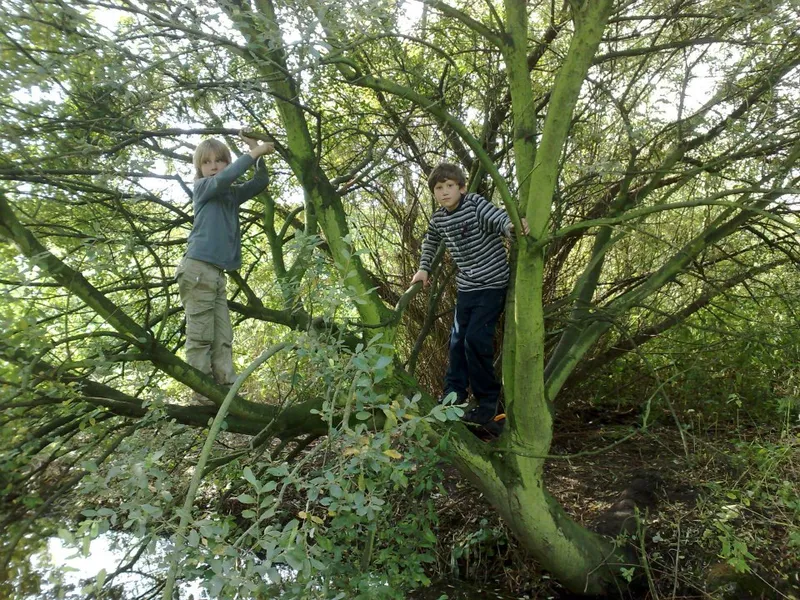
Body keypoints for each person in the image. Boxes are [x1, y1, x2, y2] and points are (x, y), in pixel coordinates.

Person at [410, 163, 528, 431]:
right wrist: (424, 268)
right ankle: (454, 395)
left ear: (461, 188)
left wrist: (512, 227)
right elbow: (430, 241)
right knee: (457, 341)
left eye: (450, 186)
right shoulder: (440, 218)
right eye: (439, 188)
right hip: (467, 286)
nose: (444, 192)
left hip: (492, 283)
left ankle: (488, 401)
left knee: (475, 339)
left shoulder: (474, 204)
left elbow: (497, 218)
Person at [175, 131, 275, 402]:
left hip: (215, 274)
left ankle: (227, 389)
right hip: (197, 270)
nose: (214, 166)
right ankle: (203, 393)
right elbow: (224, 179)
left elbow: (260, 181)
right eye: (207, 163)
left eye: (220, 160)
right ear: (199, 169)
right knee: (201, 334)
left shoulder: (229, 195)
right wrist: (253, 153)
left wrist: (255, 151)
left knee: (223, 335)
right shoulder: (204, 189)